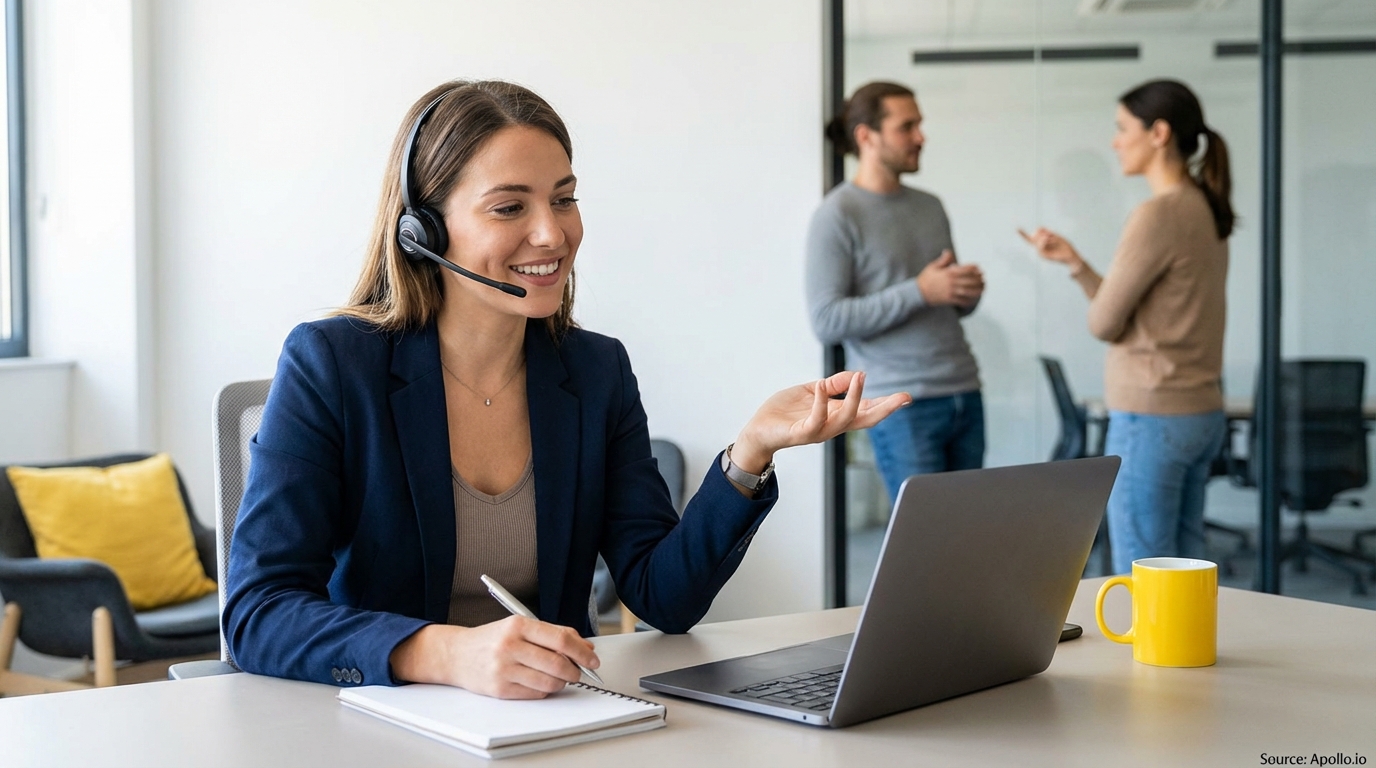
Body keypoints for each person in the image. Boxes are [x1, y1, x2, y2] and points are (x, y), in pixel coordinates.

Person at [222, 80, 909, 700]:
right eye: (509, 207)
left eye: (564, 198)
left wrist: (750, 455)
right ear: (424, 231)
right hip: (380, 724)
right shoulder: (332, 365)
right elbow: (259, 612)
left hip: (552, 720)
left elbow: (661, 595)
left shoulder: (594, 372)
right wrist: (444, 652)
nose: (552, 233)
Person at [1020, 79, 1233, 575]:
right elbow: (1140, 312)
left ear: (1158, 133)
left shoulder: (1156, 214)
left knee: (1144, 569)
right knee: (1186, 568)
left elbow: (1104, 322)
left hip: (1151, 416)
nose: (1115, 141)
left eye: (1122, 128)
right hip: (1199, 412)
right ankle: (1182, 654)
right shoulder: (1202, 204)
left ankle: (1154, 656)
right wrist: (1076, 263)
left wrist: (1091, 289)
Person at [805, 81, 986, 505]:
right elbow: (827, 320)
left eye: (919, 125)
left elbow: (946, 303)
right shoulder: (836, 215)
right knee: (926, 547)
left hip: (964, 391)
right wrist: (920, 290)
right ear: (867, 137)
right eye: (908, 127)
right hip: (902, 405)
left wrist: (963, 292)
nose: (921, 137)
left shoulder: (930, 205)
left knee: (974, 536)